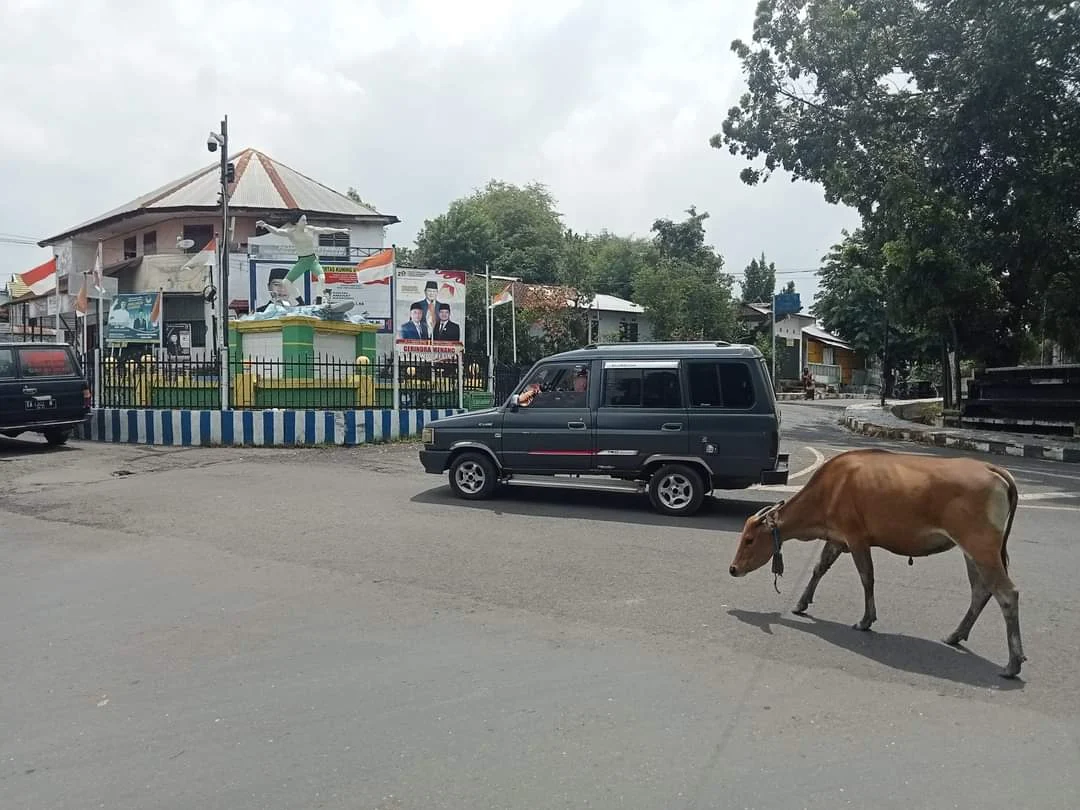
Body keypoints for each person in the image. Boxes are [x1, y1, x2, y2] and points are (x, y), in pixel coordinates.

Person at [255, 215, 351, 286]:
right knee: (286, 282)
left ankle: (320, 299)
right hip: (302, 261)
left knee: (322, 278)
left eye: (306, 220)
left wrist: (341, 230)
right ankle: (299, 301)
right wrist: (266, 225)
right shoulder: (291, 232)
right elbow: (277, 231)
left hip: (313, 260)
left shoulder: (310, 229)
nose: (306, 222)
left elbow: (325, 230)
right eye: (303, 220)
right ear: (297, 222)